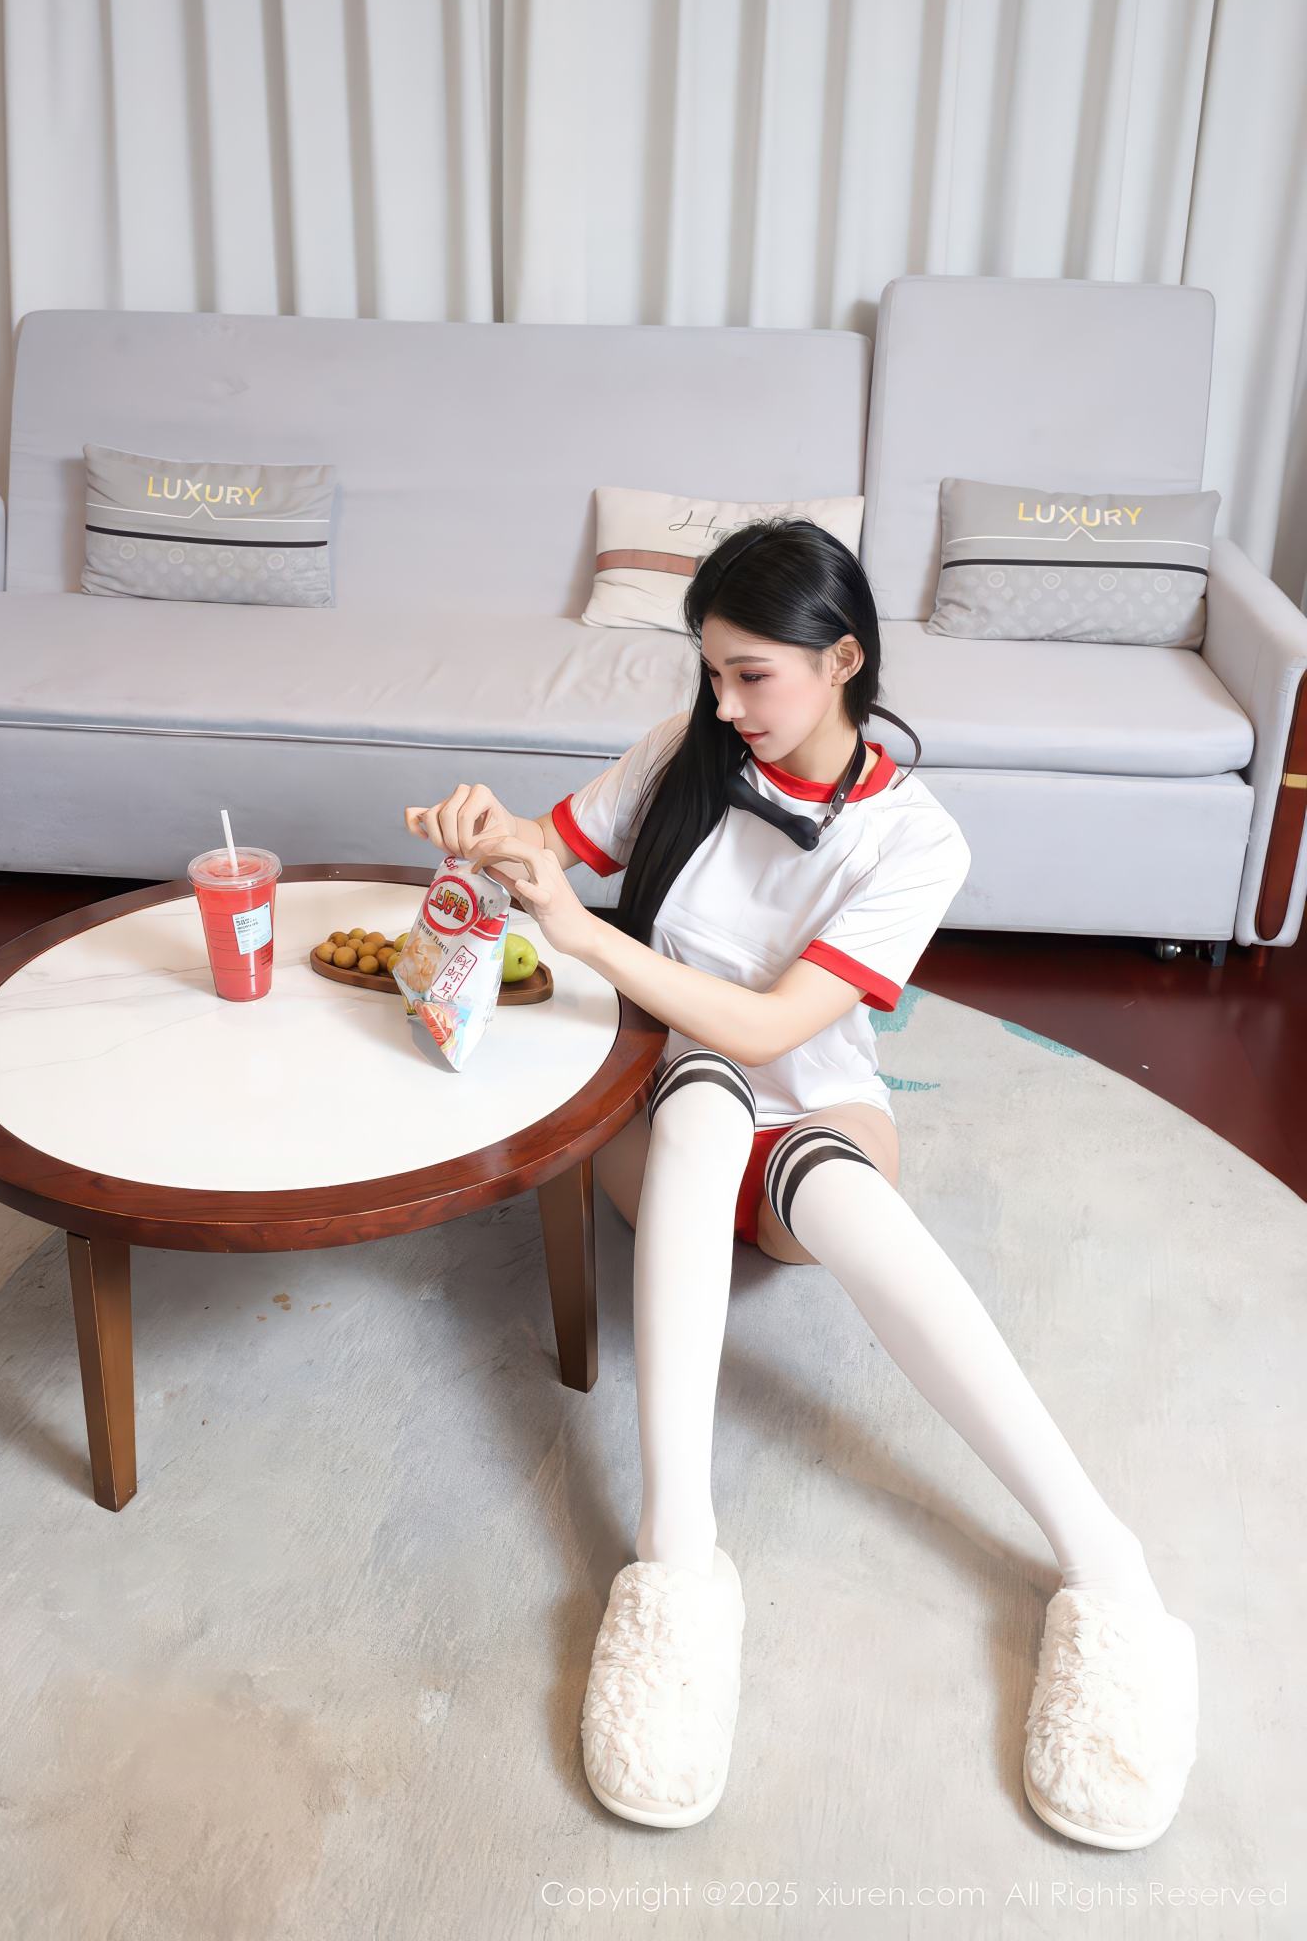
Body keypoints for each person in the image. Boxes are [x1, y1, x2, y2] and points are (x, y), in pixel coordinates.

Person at [404, 517, 1198, 1848]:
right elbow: (545, 853)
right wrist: (485, 834)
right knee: (706, 1095)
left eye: (751, 675)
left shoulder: (916, 840)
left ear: (843, 660)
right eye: (710, 672)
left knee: (838, 1192)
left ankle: (1108, 1568)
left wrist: (581, 934)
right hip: (664, 1121)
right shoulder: (687, 748)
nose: (723, 705)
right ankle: (676, 1560)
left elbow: (779, 1027)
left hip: (814, 1113)